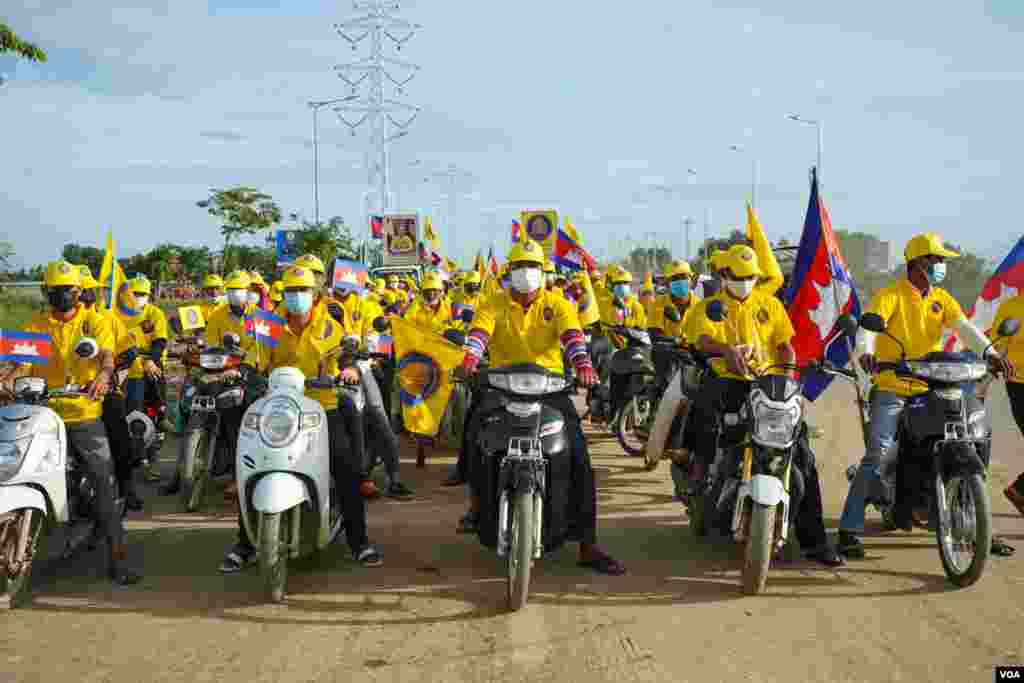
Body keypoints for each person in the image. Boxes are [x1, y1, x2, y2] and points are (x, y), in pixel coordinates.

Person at [455, 239, 626, 575]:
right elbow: (478, 336)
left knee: (578, 455)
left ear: (543, 272)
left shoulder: (558, 303)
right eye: (520, 266)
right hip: (502, 385)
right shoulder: (492, 302)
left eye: (532, 266)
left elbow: (573, 339)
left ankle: (588, 545)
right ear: (509, 271)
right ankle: (476, 506)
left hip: (549, 388)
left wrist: (584, 367)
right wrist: (469, 361)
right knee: (476, 435)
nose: (527, 272)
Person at [838, 232, 1013, 558]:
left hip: (932, 386)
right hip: (894, 386)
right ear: (919, 262)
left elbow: (964, 329)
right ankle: (849, 530)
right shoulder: (891, 295)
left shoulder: (941, 298)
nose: (942, 265)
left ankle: (976, 524)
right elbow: (868, 330)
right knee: (878, 453)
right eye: (938, 259)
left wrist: (989, 353)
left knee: (970, 436)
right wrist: (866, 353)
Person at [219, 265, 383, 572]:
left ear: (315, 293)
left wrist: (349, 369)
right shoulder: (269, 324)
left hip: (321, 406)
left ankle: (359, 542)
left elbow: (345, 356)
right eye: (291, 291)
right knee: (251, 463)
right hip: (278, 408)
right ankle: (245, 543)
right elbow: (255, 358)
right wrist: (240, 371)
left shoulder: (329, 325)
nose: (297, 296)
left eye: (303, 290)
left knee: (346, 467)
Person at [686, 245, 841, 565]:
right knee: (711, 426)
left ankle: (815, 542)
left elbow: (785, 346)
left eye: (750, 277)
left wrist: (789, 376)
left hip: (767, 384)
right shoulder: (709, 307)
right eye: (738, 276)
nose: (745, 281)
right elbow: (701, 340)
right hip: (729, 382)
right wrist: (726, 350)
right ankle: (701, 481)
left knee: (802, 454)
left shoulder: (770, 305)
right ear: (724, 274)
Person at [0, 261, 142, 584]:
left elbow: (106, 356)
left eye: (69, 290)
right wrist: (6, 378)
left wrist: (104, 376)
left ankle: (118, 558)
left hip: (82, 414)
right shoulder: (36, 325)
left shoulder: (95, 321)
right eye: (57, 290)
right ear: (46, 291)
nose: (64, 295)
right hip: (41, 413)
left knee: (103, 481)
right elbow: (20, 363)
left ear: (79, 292)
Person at [327, 277, 413, 500]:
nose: (342, 282)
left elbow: (376, 335)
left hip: (362, 367)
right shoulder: (323, 306)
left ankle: (394, 478)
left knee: (377, 414)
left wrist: (369, 350)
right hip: (329, 371)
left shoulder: (366, 305)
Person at [115, 275, 169, 483]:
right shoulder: (115, 313)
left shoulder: (155, 313)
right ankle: (135, 461)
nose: (137, 297)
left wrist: (151, 361)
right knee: (131, 418)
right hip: (125, 372)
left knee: (153, 415)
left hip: (149, 368)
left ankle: (151, 459)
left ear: (149, 295)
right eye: (134, 293)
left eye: (142, 294)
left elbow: (159, 342)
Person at [992, 294, 1024, 515]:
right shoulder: (1012, 307)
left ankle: (1020, 491)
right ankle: (1019, 490)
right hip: (1020, 384)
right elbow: (997, 347)